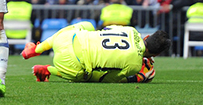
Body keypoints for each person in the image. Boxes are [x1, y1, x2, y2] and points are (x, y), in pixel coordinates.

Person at [22, 22, 171, 83]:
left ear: (147, 36)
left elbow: (106, 29)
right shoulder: (135, 65)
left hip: (66, 40)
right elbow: (110, 78)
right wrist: (139, 78)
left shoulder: (131, 30)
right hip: (69, 64)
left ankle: (36, 49)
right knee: (91, 75)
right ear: (155, 55)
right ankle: (48, 70)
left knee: (88, 25)